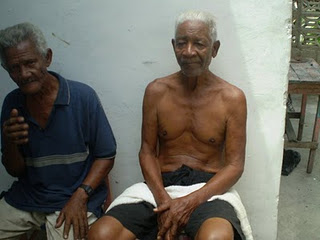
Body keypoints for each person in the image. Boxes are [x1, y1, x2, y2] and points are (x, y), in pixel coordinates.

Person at [89, 10, 252, 240]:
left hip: (208, 190)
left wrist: (189, 202)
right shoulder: (156, 91)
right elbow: (147, 151)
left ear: (214, 49)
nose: (188, 52)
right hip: (159, 187)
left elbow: (235, 165)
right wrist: (164, 200)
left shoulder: (232, 98)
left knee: (217, 237)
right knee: (101, 234)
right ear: (173, 45)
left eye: (199, 44)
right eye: (182, 43)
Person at [0, 22, 116, 240]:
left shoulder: (82, 97)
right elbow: (15, 170)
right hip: (28, 198)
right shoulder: (12, 103)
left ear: (47, 58)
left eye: (30, 63)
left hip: (76, 196)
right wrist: (9, 142)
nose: (24, 74)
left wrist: (81, 195)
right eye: (14, 68)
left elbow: (106, 155)